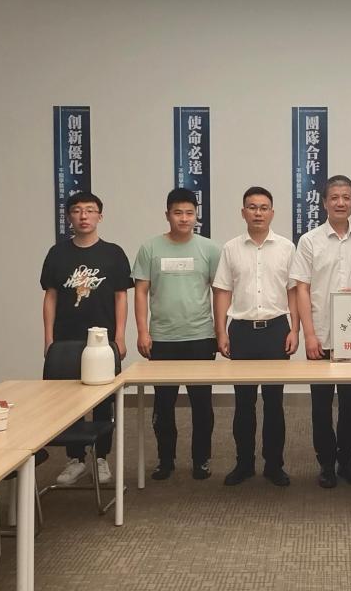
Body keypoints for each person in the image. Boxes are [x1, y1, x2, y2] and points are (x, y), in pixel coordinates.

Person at [290, 175, 351, 488]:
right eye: (334, 197)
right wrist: (309, 335)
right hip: (320, 334)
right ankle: (326, 464)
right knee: (321, 406)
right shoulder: (310, 241)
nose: (340, 203)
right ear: (324, 202)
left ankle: (346, 462)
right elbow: (301, 289)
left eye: (346, 197)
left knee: (350, 406)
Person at [40, 191, 132, 486]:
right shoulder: (57, 254)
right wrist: (48, 338)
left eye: (90, 210)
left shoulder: (113, 253)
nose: (84, 216)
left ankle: (101, 457)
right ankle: (75, 459)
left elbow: (121, 296)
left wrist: (120, 336)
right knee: (69, 401)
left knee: (103, 401)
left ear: (99, 216)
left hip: (102, 341)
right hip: (66, 339)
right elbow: (50, 296)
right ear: (69, 217)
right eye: (77, 210)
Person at [133, 187, 221, 482]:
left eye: (189, 213)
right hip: (162, 338)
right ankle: (165, 459)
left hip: (200, 337)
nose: (184, 218)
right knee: (163, 404)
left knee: (202, 404)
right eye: (178, 213)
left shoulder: (210, 249)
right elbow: (141, 291)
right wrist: (143, 331)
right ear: (167, 215)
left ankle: (201, 459)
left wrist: (219, 332)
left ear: (196, 215)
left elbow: (220, 292)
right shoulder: (150, 248)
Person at [212, 186, 298, 487]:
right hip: (242, 332)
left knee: (274, 403)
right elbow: (222, 290)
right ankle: (244, 464)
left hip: (276, 331)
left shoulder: (286, 247)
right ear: (243, 212)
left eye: (263, 208)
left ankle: (274, 465)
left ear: (272, 213)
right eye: (252, 207)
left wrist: (295, 329)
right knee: (244, 402)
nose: (258, 213)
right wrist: (221, 330)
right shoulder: (231, 248)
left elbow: (293, 291)